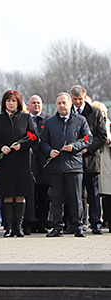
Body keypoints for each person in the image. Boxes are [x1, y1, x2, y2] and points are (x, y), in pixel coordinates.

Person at [41, 92, 92, 237]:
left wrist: (75, 147)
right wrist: (49, 151)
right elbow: (42, 142)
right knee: (56, 198)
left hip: (74, 166)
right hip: (56, 167)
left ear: (70, 104)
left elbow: (88, 139)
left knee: (76, 198)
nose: (62, 106)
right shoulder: (49, 122)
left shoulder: (80, 120)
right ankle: (57, 227)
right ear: (56, 105)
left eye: (64, 103)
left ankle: (78, 226)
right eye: (59, 103)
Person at [0, 90, 38, 238]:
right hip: (6, 162)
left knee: (21, 194)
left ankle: (19, 226)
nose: (11, 103)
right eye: (8, 101)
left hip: (22, 161)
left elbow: (34, 138)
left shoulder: (26, 117)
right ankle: (9, 226)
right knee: (8, 194)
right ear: (4, 103)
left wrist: (22, 146)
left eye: (14, 101)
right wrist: (0, 147)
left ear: (19, 103)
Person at [70, 85, 107, 234]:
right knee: (78, 195)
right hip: (74, 160)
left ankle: (96, 223)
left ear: (85, 97)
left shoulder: (95, 113)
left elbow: (102, 136)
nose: (78, 102)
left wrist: (88, 148)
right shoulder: (68, 113)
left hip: (91, 160)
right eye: (75, 100)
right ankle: (78, 223)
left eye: (80, 99)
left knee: (93, 194)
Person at [26, 95, 51, 234]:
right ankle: (30, 222)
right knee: (30, 194)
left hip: (43, 162)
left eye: (38, 103)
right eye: (33, 103)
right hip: (28, 161)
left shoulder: (49, 120)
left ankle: (42, 222)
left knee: (43, 194)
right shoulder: (24, 119)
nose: (36, 105)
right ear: (28, 105)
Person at [91, 101, 111, 232]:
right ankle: (98, 220)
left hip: (107, 160)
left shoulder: (108, 124)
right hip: (95, 159)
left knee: (108, 192)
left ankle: (108, 219)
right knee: (97, 192)